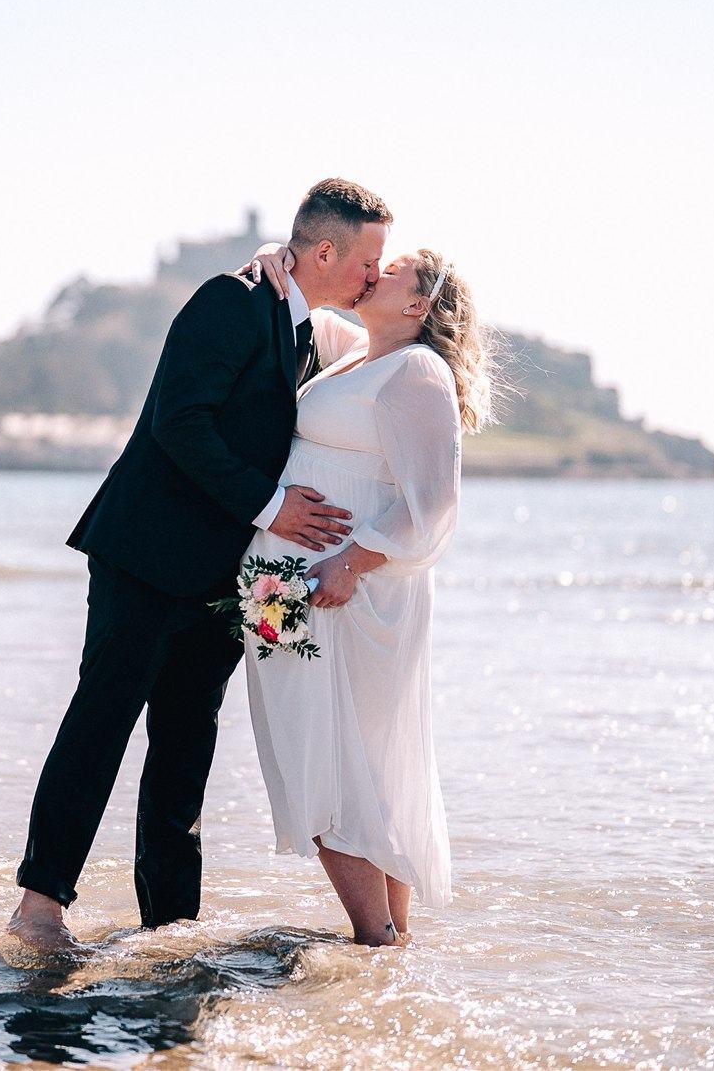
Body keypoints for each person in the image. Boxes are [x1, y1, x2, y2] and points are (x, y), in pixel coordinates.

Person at [7, 179, 394, 952]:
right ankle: (39, 908)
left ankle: (169, 925)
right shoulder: (229, 300)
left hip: (229, 578)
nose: (374, 277)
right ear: (325, 252)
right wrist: (272, 507)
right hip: (147, 555)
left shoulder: (313, 330)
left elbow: (394, 348)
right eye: (368, 261)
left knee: (188, 747)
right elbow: (178, 422)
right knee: (100, 725)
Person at [240, 241, 496, 945]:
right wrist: (275, 252)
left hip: (344, 591)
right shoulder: (356, 351)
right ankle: (390, 946)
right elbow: (298, 286)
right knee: (342, 755)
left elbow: (433, 503)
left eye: (392, 269)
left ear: (417, 303)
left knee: (334, 756)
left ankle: (375, 939)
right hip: (291, 583)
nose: (373, 272)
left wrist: (349, 564)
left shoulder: (417, 369)